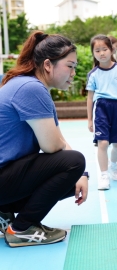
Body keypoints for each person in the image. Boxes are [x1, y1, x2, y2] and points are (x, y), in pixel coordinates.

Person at [0, 31, 87, 247]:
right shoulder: (31, 88)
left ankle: (4, 213)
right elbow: (51, 145)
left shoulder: (29, 85)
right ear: (48, 65)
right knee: (73, 162)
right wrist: (78, 168)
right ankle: (22, 229)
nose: (74, 72)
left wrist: (82, 174)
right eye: (70, 65)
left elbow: (59, 139)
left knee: (72, 175)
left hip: (6, 176)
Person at [86, 35, 117, 190]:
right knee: (103, 143)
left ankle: (114, 165)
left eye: (104, 49)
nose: (101, 53)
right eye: (97, 50)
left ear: (111, 50)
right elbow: (90, 98)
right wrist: (90, 119)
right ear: (93, 53)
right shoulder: (93, 74)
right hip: (101, 107)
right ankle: (104, 175)